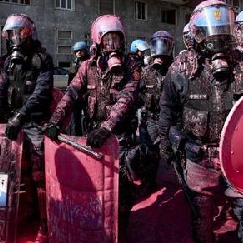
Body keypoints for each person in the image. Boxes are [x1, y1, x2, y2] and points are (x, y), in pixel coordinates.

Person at [158, 0, 243, 242]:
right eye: (213, 30)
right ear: (197, 32)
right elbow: (167, 109)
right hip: (198, 156)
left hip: (238, 155)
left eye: (224, 29)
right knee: (201, 216)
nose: (218, 37)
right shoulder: (180, 68)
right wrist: (166, 143)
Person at [44, 14, 142, 242]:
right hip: (94, 136)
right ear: (97, 43)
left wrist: (107, 128)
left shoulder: (132, 67)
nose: (113, 47)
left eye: (117, 41)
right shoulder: (87, 67)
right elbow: (70, 94)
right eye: (108, 41)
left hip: (120, 138)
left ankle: (120, 233)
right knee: (95, 188)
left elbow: (126, 100)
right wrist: (55, 120)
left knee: (122, 191)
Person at [0, 13, 54, 242]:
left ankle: (44, 226)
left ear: (28, 34)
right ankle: (11, 216)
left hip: (34, 122)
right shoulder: (7, 61)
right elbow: (0, 88)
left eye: (19, 33)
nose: (14, 39)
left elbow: (42, 91)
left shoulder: (43, 58)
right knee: (6, 172)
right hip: (12, 124)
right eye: (11, 34)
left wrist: (21, 115)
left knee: (38, 176)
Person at [135, 30, 174, 198]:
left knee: (174, 154)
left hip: (171, 120)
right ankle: (149, 183)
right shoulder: (146, 72)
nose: (160, 53)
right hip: (150, 118)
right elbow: (137, 94)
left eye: (164, 45)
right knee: (148, 153)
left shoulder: (176, 70)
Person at [67, 41, 90, 136]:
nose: (79, 53)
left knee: (88, 117)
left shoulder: (90, 63)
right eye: (77, 51)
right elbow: (70, 80)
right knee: (74, 118)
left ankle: (89, 135)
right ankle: (75, 136)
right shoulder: (74, 65)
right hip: (76, 95)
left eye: (81, 51)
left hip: (88, 94)